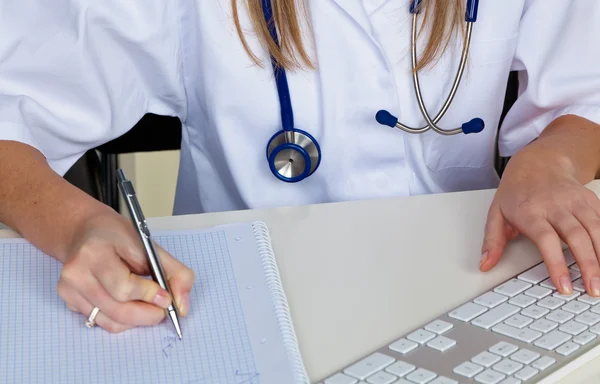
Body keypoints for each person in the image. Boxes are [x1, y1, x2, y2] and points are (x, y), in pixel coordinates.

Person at [0, 0, 599, 334]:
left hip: (472, 285)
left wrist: (552, 162)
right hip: (239, 304)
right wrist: (78, 223)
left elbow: (586, 89)